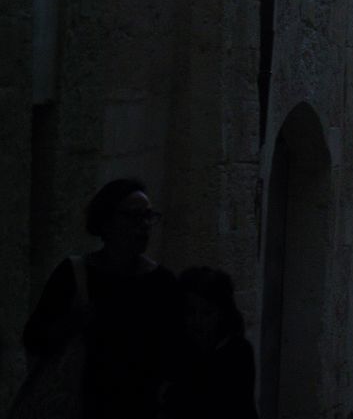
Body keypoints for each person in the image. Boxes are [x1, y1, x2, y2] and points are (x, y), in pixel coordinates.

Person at [21, 178, 182, 419]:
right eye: (133, 217)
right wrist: (70, 325)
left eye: (147, 216)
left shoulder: (162, 282)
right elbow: (34, 338)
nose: (144, 226)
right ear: (106, 222)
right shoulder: (74, 275)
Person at [165, 266, 259, 419]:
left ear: (222, 313)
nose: (198, 321)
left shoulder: (238, 352)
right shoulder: (179, 349)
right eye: (190, 311)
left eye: (207, 312)